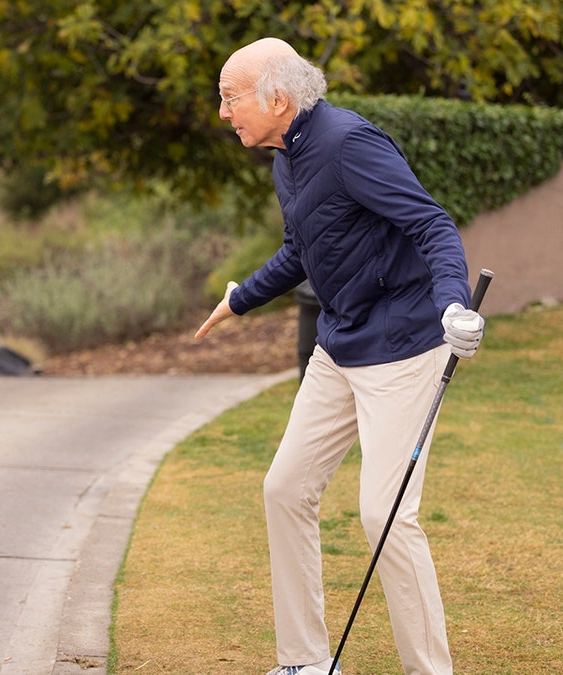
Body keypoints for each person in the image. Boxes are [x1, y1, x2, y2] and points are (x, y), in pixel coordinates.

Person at [194, 38, 485, 675]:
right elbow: (302, 249)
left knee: (385, 514)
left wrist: (454, 305)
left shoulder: (351, 143)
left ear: (276, 97)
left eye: (229, 97)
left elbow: (431, 224)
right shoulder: (284, 157)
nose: (223, 112)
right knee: (285, 488)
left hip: (405, 348)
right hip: (340, 345)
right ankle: (303, 662)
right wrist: (242, 298)